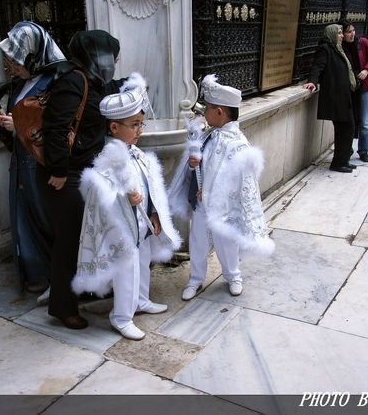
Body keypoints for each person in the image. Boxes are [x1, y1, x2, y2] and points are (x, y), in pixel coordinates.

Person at [72, 72, 182, 340]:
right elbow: (100, 196)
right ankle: (121, 317)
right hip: (123, 231)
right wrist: (125, 199)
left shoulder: (137, 153)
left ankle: (141, 300)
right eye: (134, 125)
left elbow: (150, 184)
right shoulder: (108, 159)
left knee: (143, 263)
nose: (139, 130)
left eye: (141, 124)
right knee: (127, 270)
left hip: (141, 224)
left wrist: (154, 212)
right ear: (114, 128)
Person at [35, 30, 127, 330]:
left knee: (86, 235)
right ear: (97, 57)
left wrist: (136, 84)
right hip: (65, 176)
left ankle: (83, 287)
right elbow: (56, 128)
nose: (115, 62)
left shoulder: (94, 82)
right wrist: (59, 171)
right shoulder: (73, 81)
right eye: (112, 58)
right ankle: (63, 307)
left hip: (85, 173)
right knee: (69, 240)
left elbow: (110, 93)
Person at [167, 74, 275, 301]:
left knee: (226, 241)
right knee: (197, 240)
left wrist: (210, 191)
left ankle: (233, 275)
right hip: (201, 204)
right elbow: (204, 164)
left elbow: (238, 179)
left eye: (206, 108)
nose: (203, 113)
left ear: (219, 112)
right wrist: (194, 162)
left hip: (222, 205)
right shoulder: (208, 136)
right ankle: (195, 279)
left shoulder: (237, 143)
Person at [0, 21, 62, 302]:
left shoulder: (56, 82)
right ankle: (37, 274)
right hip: (21, 163)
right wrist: (6, 123)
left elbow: (59, 128)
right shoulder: (21, 83)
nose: (13, 67)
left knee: (48, 222)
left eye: (17, 62)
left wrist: (18, 126)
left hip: (42, 166)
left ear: (34, 56)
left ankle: (57, 279)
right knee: (24, 219)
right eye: (10, 62)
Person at [303, 24, 359, 173]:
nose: (342, 36)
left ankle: (343, 160)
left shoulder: (338, 49)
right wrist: (313, 81)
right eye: (339, 33)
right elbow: (317, 67)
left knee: (349, 128)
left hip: (344, 96)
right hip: (336, 97)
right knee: (345, 129)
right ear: (332, 34)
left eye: (342, 33)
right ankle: (339, 163)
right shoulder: (325, 49)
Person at [339, 18, 368, 163]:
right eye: (348, 31)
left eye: (353, 30)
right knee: (349, 122)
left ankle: (363, 150)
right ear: (342, 33)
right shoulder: (340, 47)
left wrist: (367, 70)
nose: (352, 34)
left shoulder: (362, 43)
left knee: (364, 122)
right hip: (348, 89)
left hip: (363, 87)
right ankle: (347, 150)